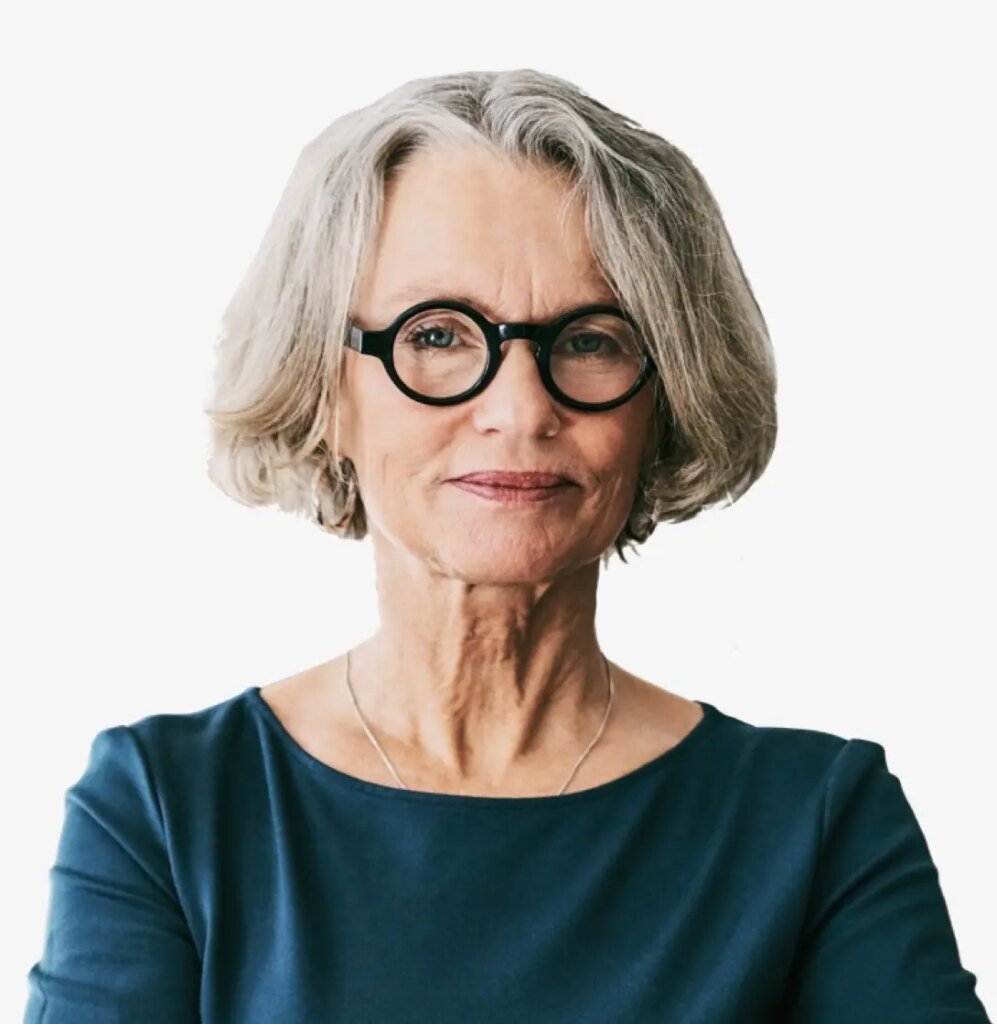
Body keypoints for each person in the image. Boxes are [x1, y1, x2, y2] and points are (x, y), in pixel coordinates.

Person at [24, 68, 991, 1023]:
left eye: (591, 339)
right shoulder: (166, 808)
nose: (520, 410)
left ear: (666, 399)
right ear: (323, 388)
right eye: (438, 335)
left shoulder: (816, 822)